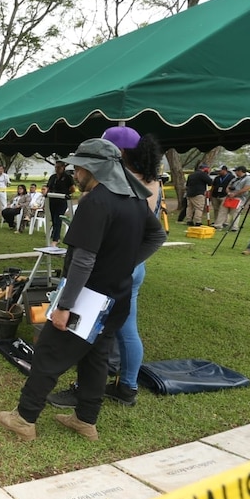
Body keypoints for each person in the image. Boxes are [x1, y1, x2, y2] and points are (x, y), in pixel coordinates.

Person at [0, 138, 166, 442]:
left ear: (95, 168)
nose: (75, 172)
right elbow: (157, 236)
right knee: (96, 359)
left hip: (86, 298)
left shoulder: (97, 202)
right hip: (116, 298)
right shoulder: (134, 199)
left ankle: (24, 418)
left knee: (48, 354)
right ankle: (86, 420)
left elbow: (84, 260)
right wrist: (124, 263)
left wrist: (64, 306)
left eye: (80, 167)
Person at [47, 126, 164, 409]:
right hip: (124, 263)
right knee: (115, 331)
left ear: (117, 153)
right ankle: (122, 386)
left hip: (112, 265)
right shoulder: (148, 181)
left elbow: (133, 230)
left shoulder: (124, 185)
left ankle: (95, 389)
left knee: (97, 331)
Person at [42, 159, 76, 247]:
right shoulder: (53, 177)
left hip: (62, 201)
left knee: (58, 219)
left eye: (59, 167)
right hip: (52, 200)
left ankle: (55, 239)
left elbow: (73, 189)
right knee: (53, 219)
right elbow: (48, 187)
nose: (57, 169)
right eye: (56, 167)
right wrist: (45, 191)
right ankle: (55, 236)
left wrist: (66, 193)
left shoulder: (67, 177)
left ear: (63, 167)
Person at [220, 165, 250, 231]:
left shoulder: (248, 179)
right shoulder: (234, 179)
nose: (235, 173)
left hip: (239, 198)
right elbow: (228, 187)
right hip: (230, 197)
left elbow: (246, 188)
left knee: (235, 212)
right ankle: (219, 224)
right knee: (223, 210)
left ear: (240, 171)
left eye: (236, 171)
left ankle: (234, 227)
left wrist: (235, 194)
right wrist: (229, 193)